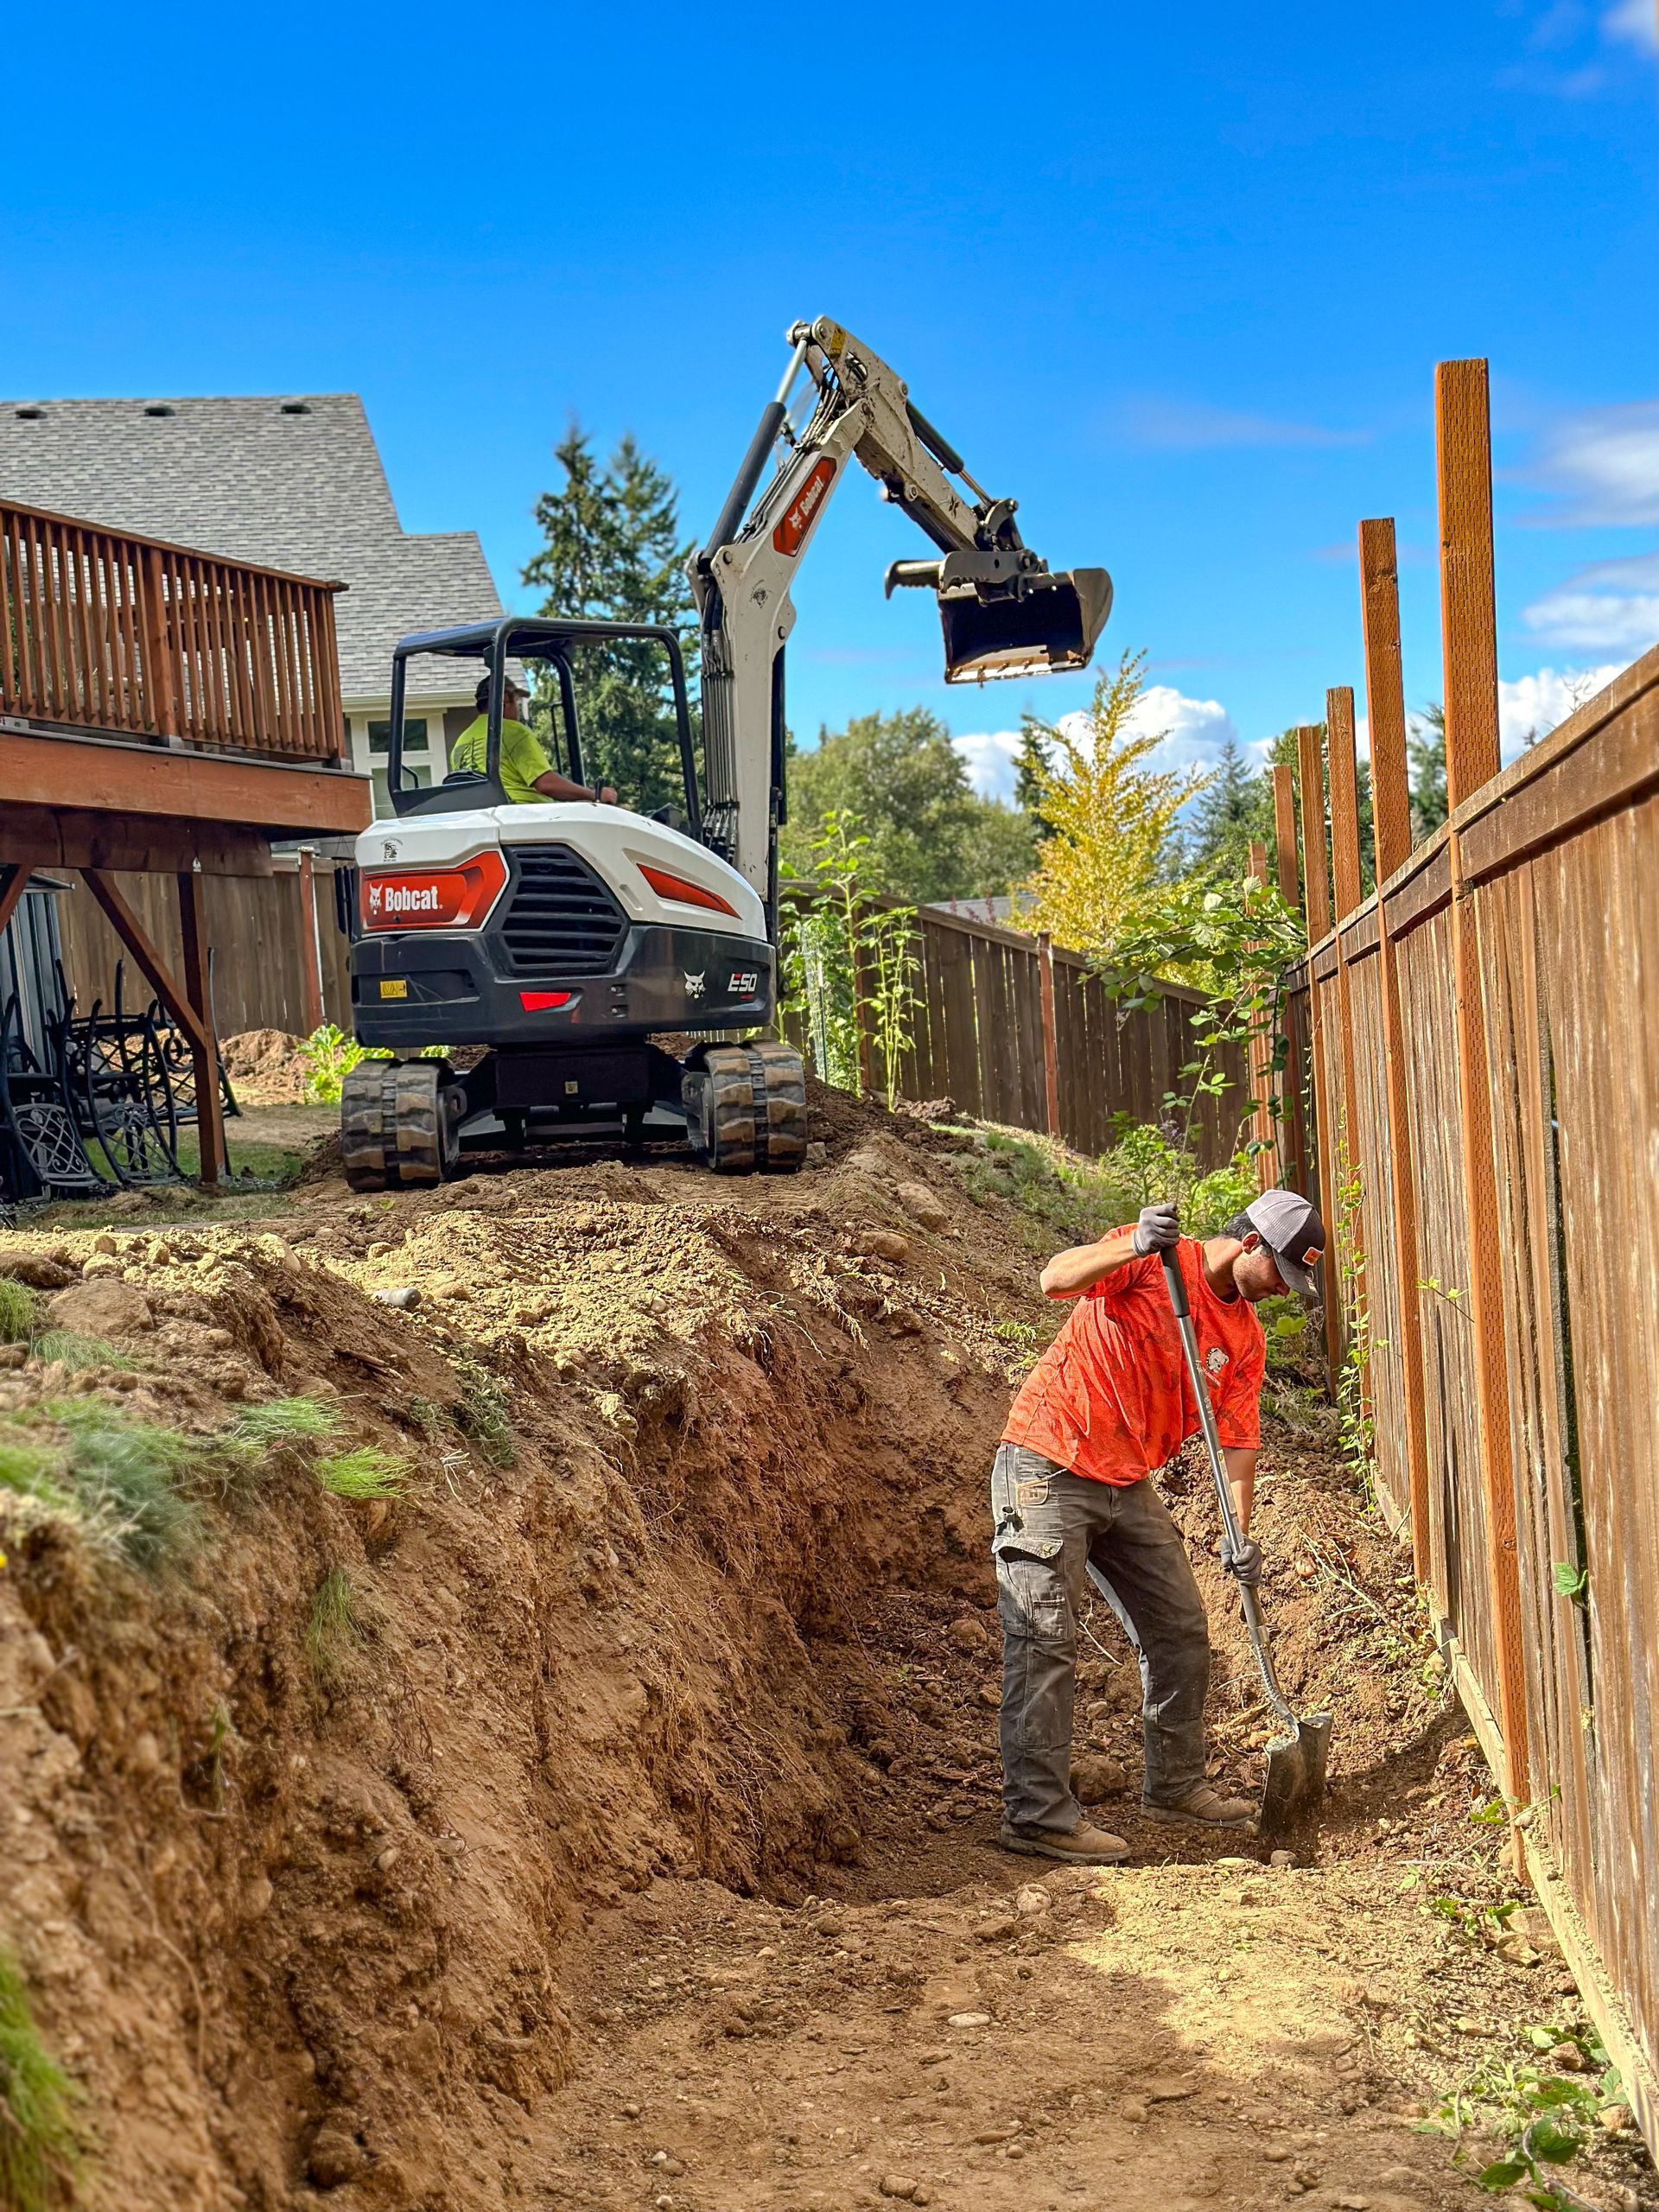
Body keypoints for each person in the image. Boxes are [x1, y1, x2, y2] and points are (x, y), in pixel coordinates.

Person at [991, 1186, 1325, 1866]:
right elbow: (1055, 1278)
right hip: (1050, 1458)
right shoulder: (1151, 1262)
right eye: (1280, 1276)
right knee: (1045, 1637)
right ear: (1251, 1244)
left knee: (1180, 1629)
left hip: (1124, 1480)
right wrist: (1132, 1242)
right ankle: (1037, 1816)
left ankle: (1174, 1784)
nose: (1285, 1292)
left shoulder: (1244, 1337)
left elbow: (1238, 1443)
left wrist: (1240, 1531)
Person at [448, 677, 619, 806]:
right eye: (516, 702)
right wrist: (593, 795)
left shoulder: (460, 743)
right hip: (529, 823)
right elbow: (546, 784)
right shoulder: (511, 731)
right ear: (505, 700)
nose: (518, 710)